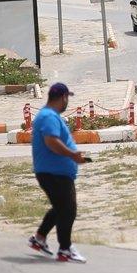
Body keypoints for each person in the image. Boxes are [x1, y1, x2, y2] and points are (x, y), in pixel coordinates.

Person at [28, 83, 88, 263]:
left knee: (61, 207)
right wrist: (72, 155)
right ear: (63, 98)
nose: (67, 102)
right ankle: (65, 248)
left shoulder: (49, 115)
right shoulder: (48, 116)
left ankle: (39, 238)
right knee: (68, 210)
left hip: (53, 171)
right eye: (67, 98)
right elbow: (51, 141)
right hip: (54, 172)